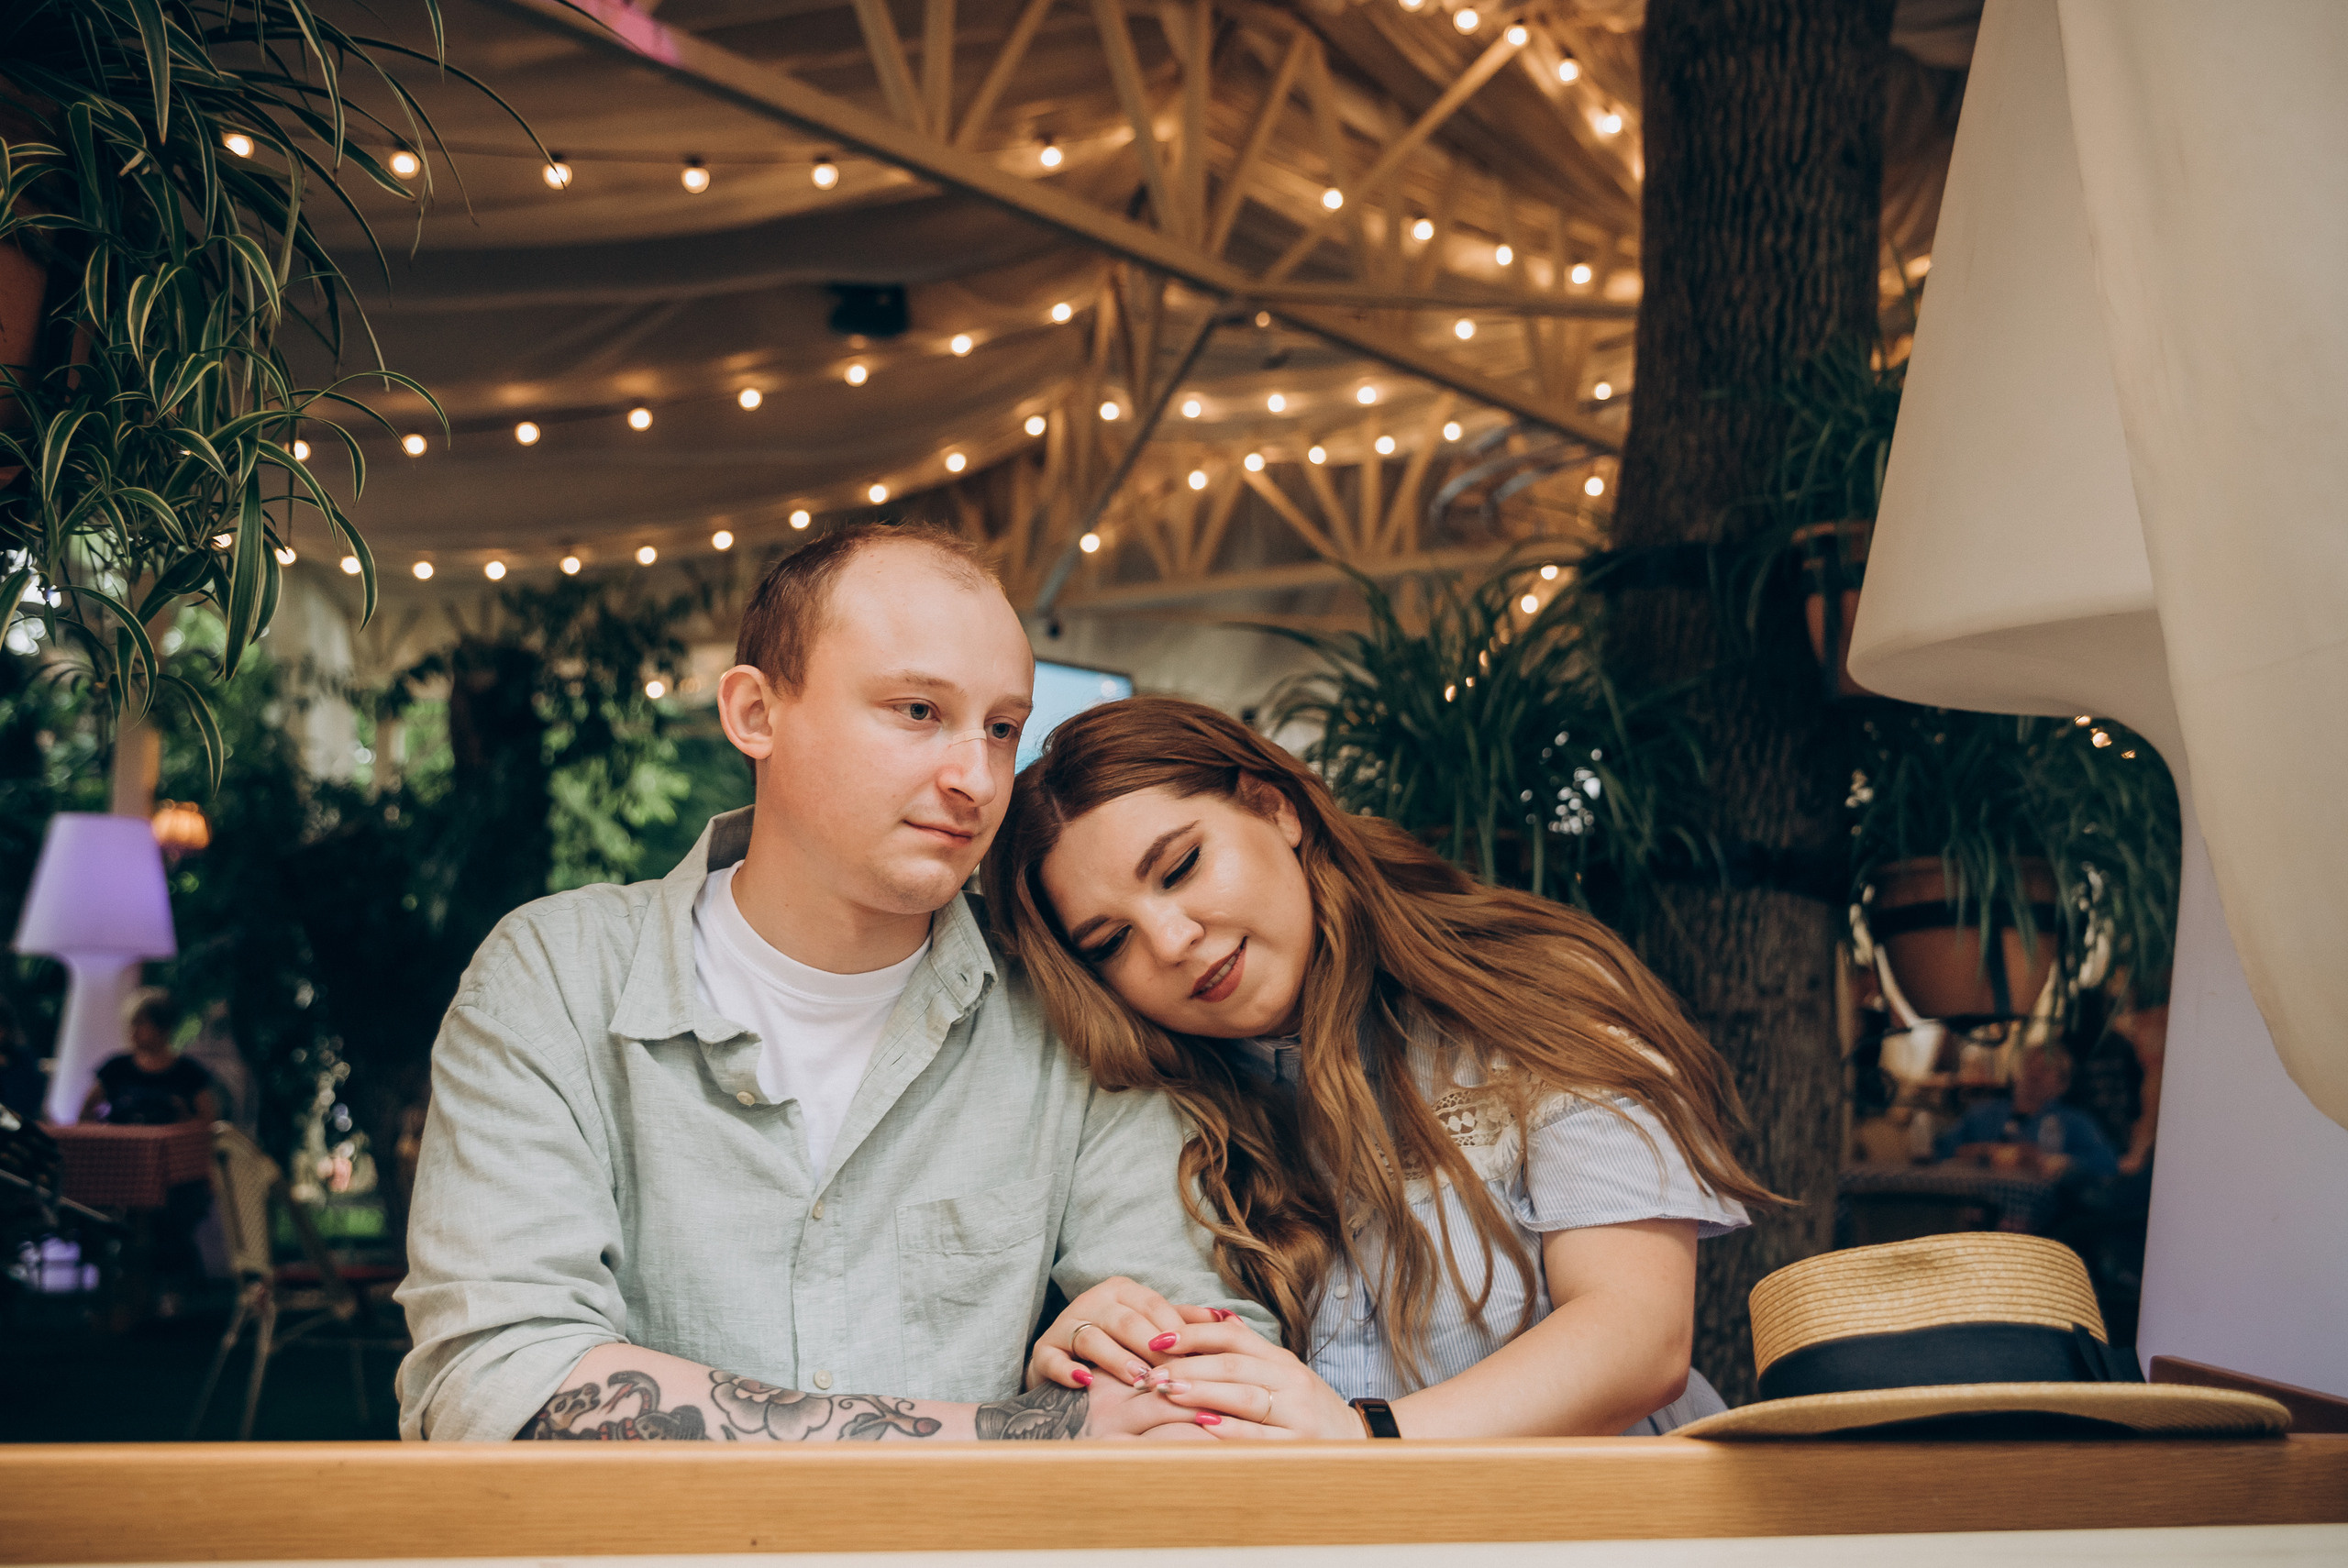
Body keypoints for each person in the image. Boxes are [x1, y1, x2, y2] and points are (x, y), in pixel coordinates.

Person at [395, 525, 1267, 1444]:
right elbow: (492, 1384)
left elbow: (1206, 1383)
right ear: (755, 714)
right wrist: (1018, 1431)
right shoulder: (558, 975)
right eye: (918, 710)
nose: (976, 778)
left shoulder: (1065, 1001)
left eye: (1002, 729)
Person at [985, 697, 1778, 1440]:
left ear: (1276, 808)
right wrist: (1089, 1366)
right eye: (1111, 942)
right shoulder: (1153, 1112)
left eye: (1181, 866)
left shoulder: (1530, 995)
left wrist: (1366, 1439)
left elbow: (1640, 1338)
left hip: (1606, 1518)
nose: (1169, 940)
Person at [1932, 1044, 2119, 1182]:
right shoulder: (1983, 1113)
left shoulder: (2072, 1122)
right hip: (1974, 1201)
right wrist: (1986, 1152)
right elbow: (1941, 1149)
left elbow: (2107, 1162)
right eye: (2028, 1065)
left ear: (2062, 1084)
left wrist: (2061, 1162)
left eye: (2044, 1069)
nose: (2033, 1074)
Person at [80, 989, 219, 1127]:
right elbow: (86, 1112)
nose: (133, 1031)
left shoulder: (189, 1072)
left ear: (164, 1027)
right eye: (131, 1023)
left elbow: (207, 1120)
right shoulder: (116, 1067)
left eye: (140, 1023)